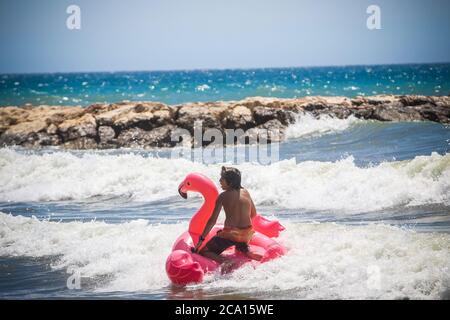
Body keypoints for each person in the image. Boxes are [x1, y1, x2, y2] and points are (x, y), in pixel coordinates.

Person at [192, 166, 262, 273]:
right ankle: (252, 254)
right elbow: (253, 214)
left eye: (222, 178)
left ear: (230, 182)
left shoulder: (223, 196)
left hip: (230, 234)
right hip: (247, 233)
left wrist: (200, 241)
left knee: (204, 251)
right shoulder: (246, 192)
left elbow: (212, 220)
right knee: (241, 246)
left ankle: (225, 261)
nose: (219, 181)